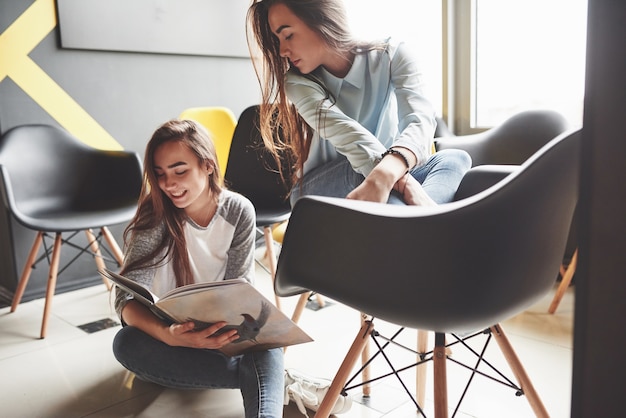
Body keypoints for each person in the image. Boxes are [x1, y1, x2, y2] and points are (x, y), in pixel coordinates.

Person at [112, 119, 285, 418]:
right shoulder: (154, 216)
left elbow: (239, 291)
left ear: (207, 165)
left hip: (221, 338)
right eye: (160, 174)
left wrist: (228, 332)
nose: (169, 184)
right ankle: (272, 383)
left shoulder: (238, 210)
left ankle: (266, 395)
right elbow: (125, 300)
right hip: (168, 338)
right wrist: (168, 335)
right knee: (126, 343)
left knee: (268, 345)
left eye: (180, 171)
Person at [247, 0, 472, 207]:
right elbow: (353, 139)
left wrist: (387, 174)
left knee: (455, 158)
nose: (282, 51)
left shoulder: (394, 55)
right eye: (277, 41)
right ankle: (429, 222)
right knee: (364, 172)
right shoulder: (298, 83)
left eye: (287, 36)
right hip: (318, 188)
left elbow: (420, 122)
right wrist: (396, 179)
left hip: (389, 170)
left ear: (320, 18)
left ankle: (419, 224)